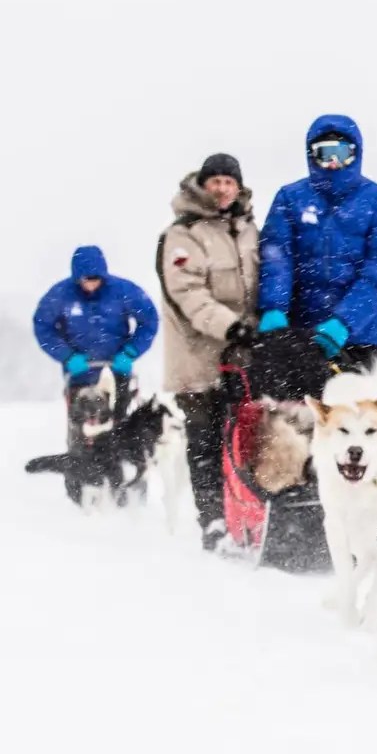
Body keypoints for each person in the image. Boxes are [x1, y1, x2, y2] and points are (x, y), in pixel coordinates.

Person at [158, 153, 260, 549]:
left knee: (244, 441)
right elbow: (187, 293)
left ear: (238, 188)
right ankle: (214, 522)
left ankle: (246, 516)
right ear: (202, 185)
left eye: (228, 182)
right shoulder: (183, 235)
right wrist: (230, 327)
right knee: (205, 443)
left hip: (242, 358)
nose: (221, 189)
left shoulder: (248, 230)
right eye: (214, 181)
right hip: (198, 360)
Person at [257, 114, 377, 369]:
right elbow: (276, 259)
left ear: (355, 154)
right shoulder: (290, 199)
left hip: (362, 338)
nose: (334, 162)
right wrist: (274, 307)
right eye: (325, 153)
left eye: (342, 153)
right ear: (311, 155)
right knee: (301, 410)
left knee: (358, 408)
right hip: (301, 337)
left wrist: (345, 321)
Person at [32, 246, 159, 400]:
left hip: (116, 370)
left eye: (95, 279)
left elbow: (149, 320)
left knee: (122, 421)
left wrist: (130, 352)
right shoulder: (60, 296)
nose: (91, 284)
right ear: (77, 278)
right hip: (78, 373)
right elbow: (42, 326)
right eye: (86, 280)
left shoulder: (123, 291)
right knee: (82, 416)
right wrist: (66, 356)